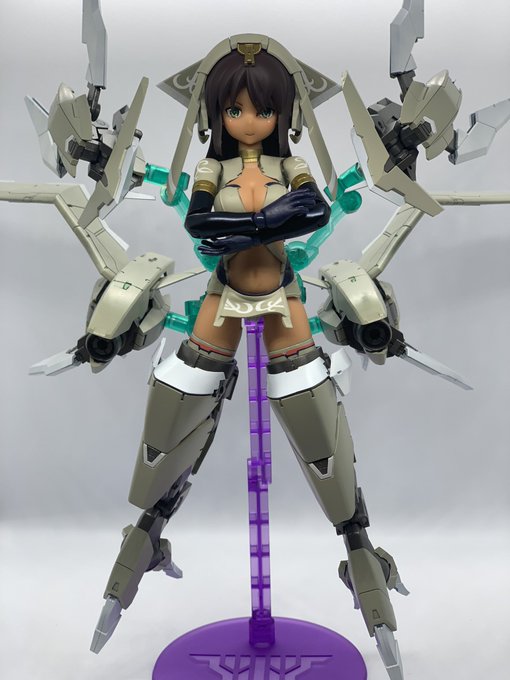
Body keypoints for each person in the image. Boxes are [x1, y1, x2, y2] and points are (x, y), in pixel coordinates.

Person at [92, 37, 408, 679]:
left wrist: (250, 228)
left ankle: (362, 558)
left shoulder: (292, 165)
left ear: (283, 114)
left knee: (318, 427)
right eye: (235, 110)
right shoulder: (212, 171)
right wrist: (269, 224)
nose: (249, 121)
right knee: (175, 413)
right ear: (216, 114)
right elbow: (200, 226)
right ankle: (143, 544)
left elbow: (312, 207)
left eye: (262, 110)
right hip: (223, 296)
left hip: (284, 298)